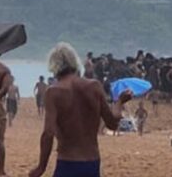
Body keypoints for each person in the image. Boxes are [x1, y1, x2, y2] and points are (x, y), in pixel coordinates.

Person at [29, 43, 132, 177]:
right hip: (91, 163)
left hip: (67, 162)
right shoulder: (94, 86)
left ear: (54, 67)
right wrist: (119, 102)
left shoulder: (53, 92)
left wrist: (41, 167)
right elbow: (112, 123)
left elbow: (48, 133)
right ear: (75, 63)